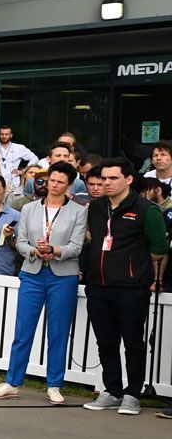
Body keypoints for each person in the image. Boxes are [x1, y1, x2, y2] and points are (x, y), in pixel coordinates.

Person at [0, 163, 87, 405]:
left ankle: (54, 384)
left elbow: (77, 246)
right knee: (23, 330)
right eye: (50, 180)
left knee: (58, 332)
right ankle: (12, 382)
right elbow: (20, 241)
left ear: (69, 185)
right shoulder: (30, 209)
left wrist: (55, 250)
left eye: (59, 182)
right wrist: (34, 250)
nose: (53, 185)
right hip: (32, 272)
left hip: (63, 275)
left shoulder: (78, 211)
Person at [80, 158, 169, 416]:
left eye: (112, 178)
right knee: (105, 342)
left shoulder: (146, 209)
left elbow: (159, 249)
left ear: (128, 179)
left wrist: (144, 274)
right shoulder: (96, 208)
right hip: (98, 286)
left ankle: (132, 393)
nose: (106, 183)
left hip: (132, 289)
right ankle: (112, 391)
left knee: (133, 343)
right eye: (103, 178)